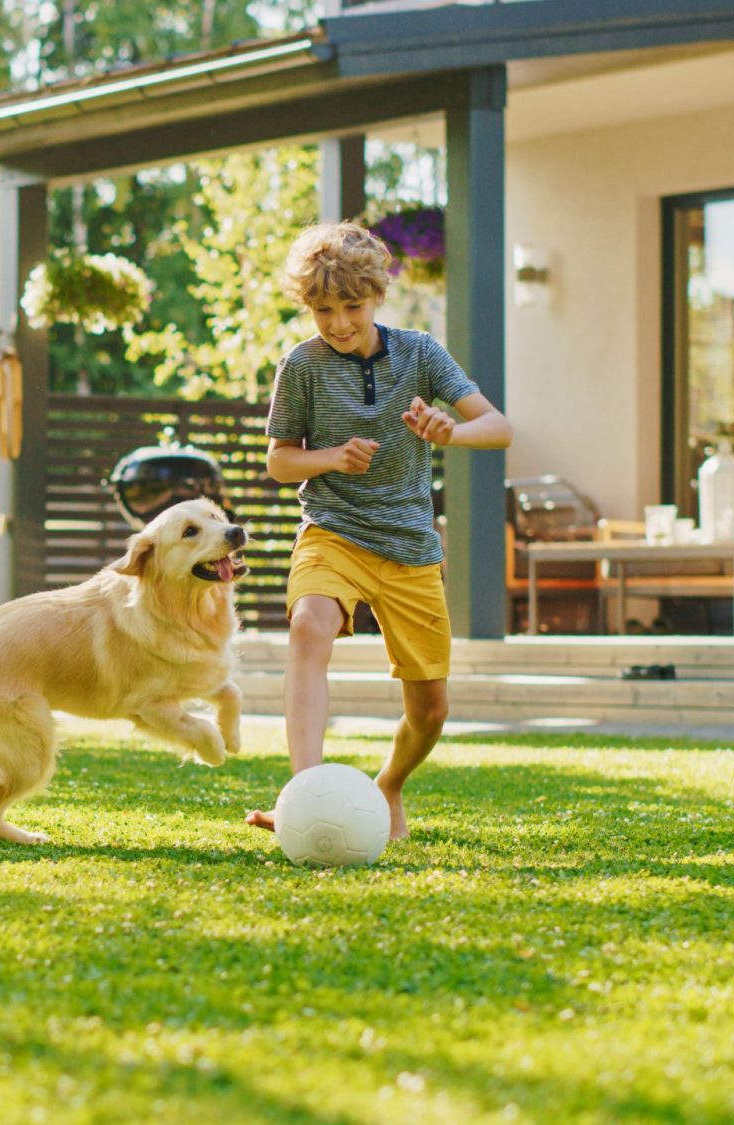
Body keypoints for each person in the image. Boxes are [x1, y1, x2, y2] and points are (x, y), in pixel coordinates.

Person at [246, 221, 512, 841]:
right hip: (333, 529)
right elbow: (280, 461)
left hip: (409, 543)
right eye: (323, 309)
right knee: (310, 625)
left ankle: (388, 785)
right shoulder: (302, 366)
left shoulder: (420, 353)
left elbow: (496, 427)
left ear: (377, 297)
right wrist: (331, 457)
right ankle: (306, 795)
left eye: (351, 307)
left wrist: (452, 431)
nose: (338, 323)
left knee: (430, 710)